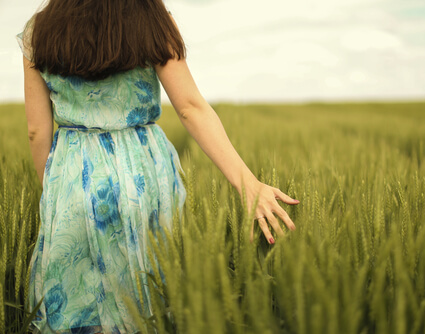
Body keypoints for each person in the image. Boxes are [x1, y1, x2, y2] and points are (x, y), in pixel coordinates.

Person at [17, 0, 300, 332]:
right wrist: (248, 183)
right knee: (150, 295)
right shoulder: (151, 17)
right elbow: (191, 108)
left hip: (73, 175)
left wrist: (55, 193)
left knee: (77, 302)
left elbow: (37, 131)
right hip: (144, 174)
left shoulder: (39, 30)